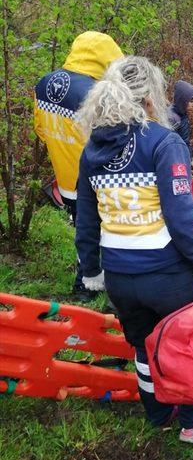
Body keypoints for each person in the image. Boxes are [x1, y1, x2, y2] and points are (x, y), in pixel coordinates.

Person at [75, 56, 193, 443]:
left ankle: (157, 412)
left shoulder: (92, 148)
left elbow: (86, 219)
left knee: (144, 348)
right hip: (166, 277)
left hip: (119, 278)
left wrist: (90, 269)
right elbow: (180, 220)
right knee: (182, 346)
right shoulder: (164, 142)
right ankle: (191, 422)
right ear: (149, 99)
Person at [34, 31, 124, 299]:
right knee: (101, 232)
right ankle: (87, 285)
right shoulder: (96, 93)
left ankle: (87, 279)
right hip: (94, 179)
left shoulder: (44, 84)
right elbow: (111, 140)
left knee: (82, 228)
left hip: (65, 177)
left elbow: (40, 129)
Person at [168, 79, 193, 161]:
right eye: (191, 101)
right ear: (182, 99)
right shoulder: (172, 119)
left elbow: (185, 140)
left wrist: (190, 160)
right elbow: (170, 148)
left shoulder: (182, 113)